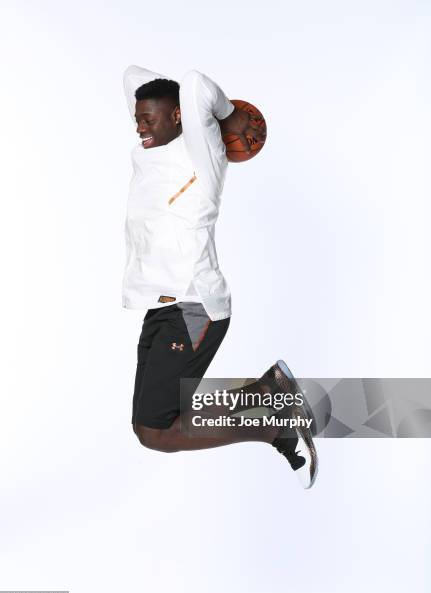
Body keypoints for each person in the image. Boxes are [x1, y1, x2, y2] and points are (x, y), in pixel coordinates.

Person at [122, 65, 318, 488]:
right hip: (162, 309)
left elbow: (194, 84)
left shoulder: (202, 153)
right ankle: (267, 395)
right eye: (136, 119)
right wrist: (160, 103)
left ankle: (271, 421)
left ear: (179, 117)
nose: (138, 127)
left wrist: (225, 116)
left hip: (193, 306)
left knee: (156, 430)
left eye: (146, 119)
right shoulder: (152, 150)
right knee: (149, 425)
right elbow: (131, 76)